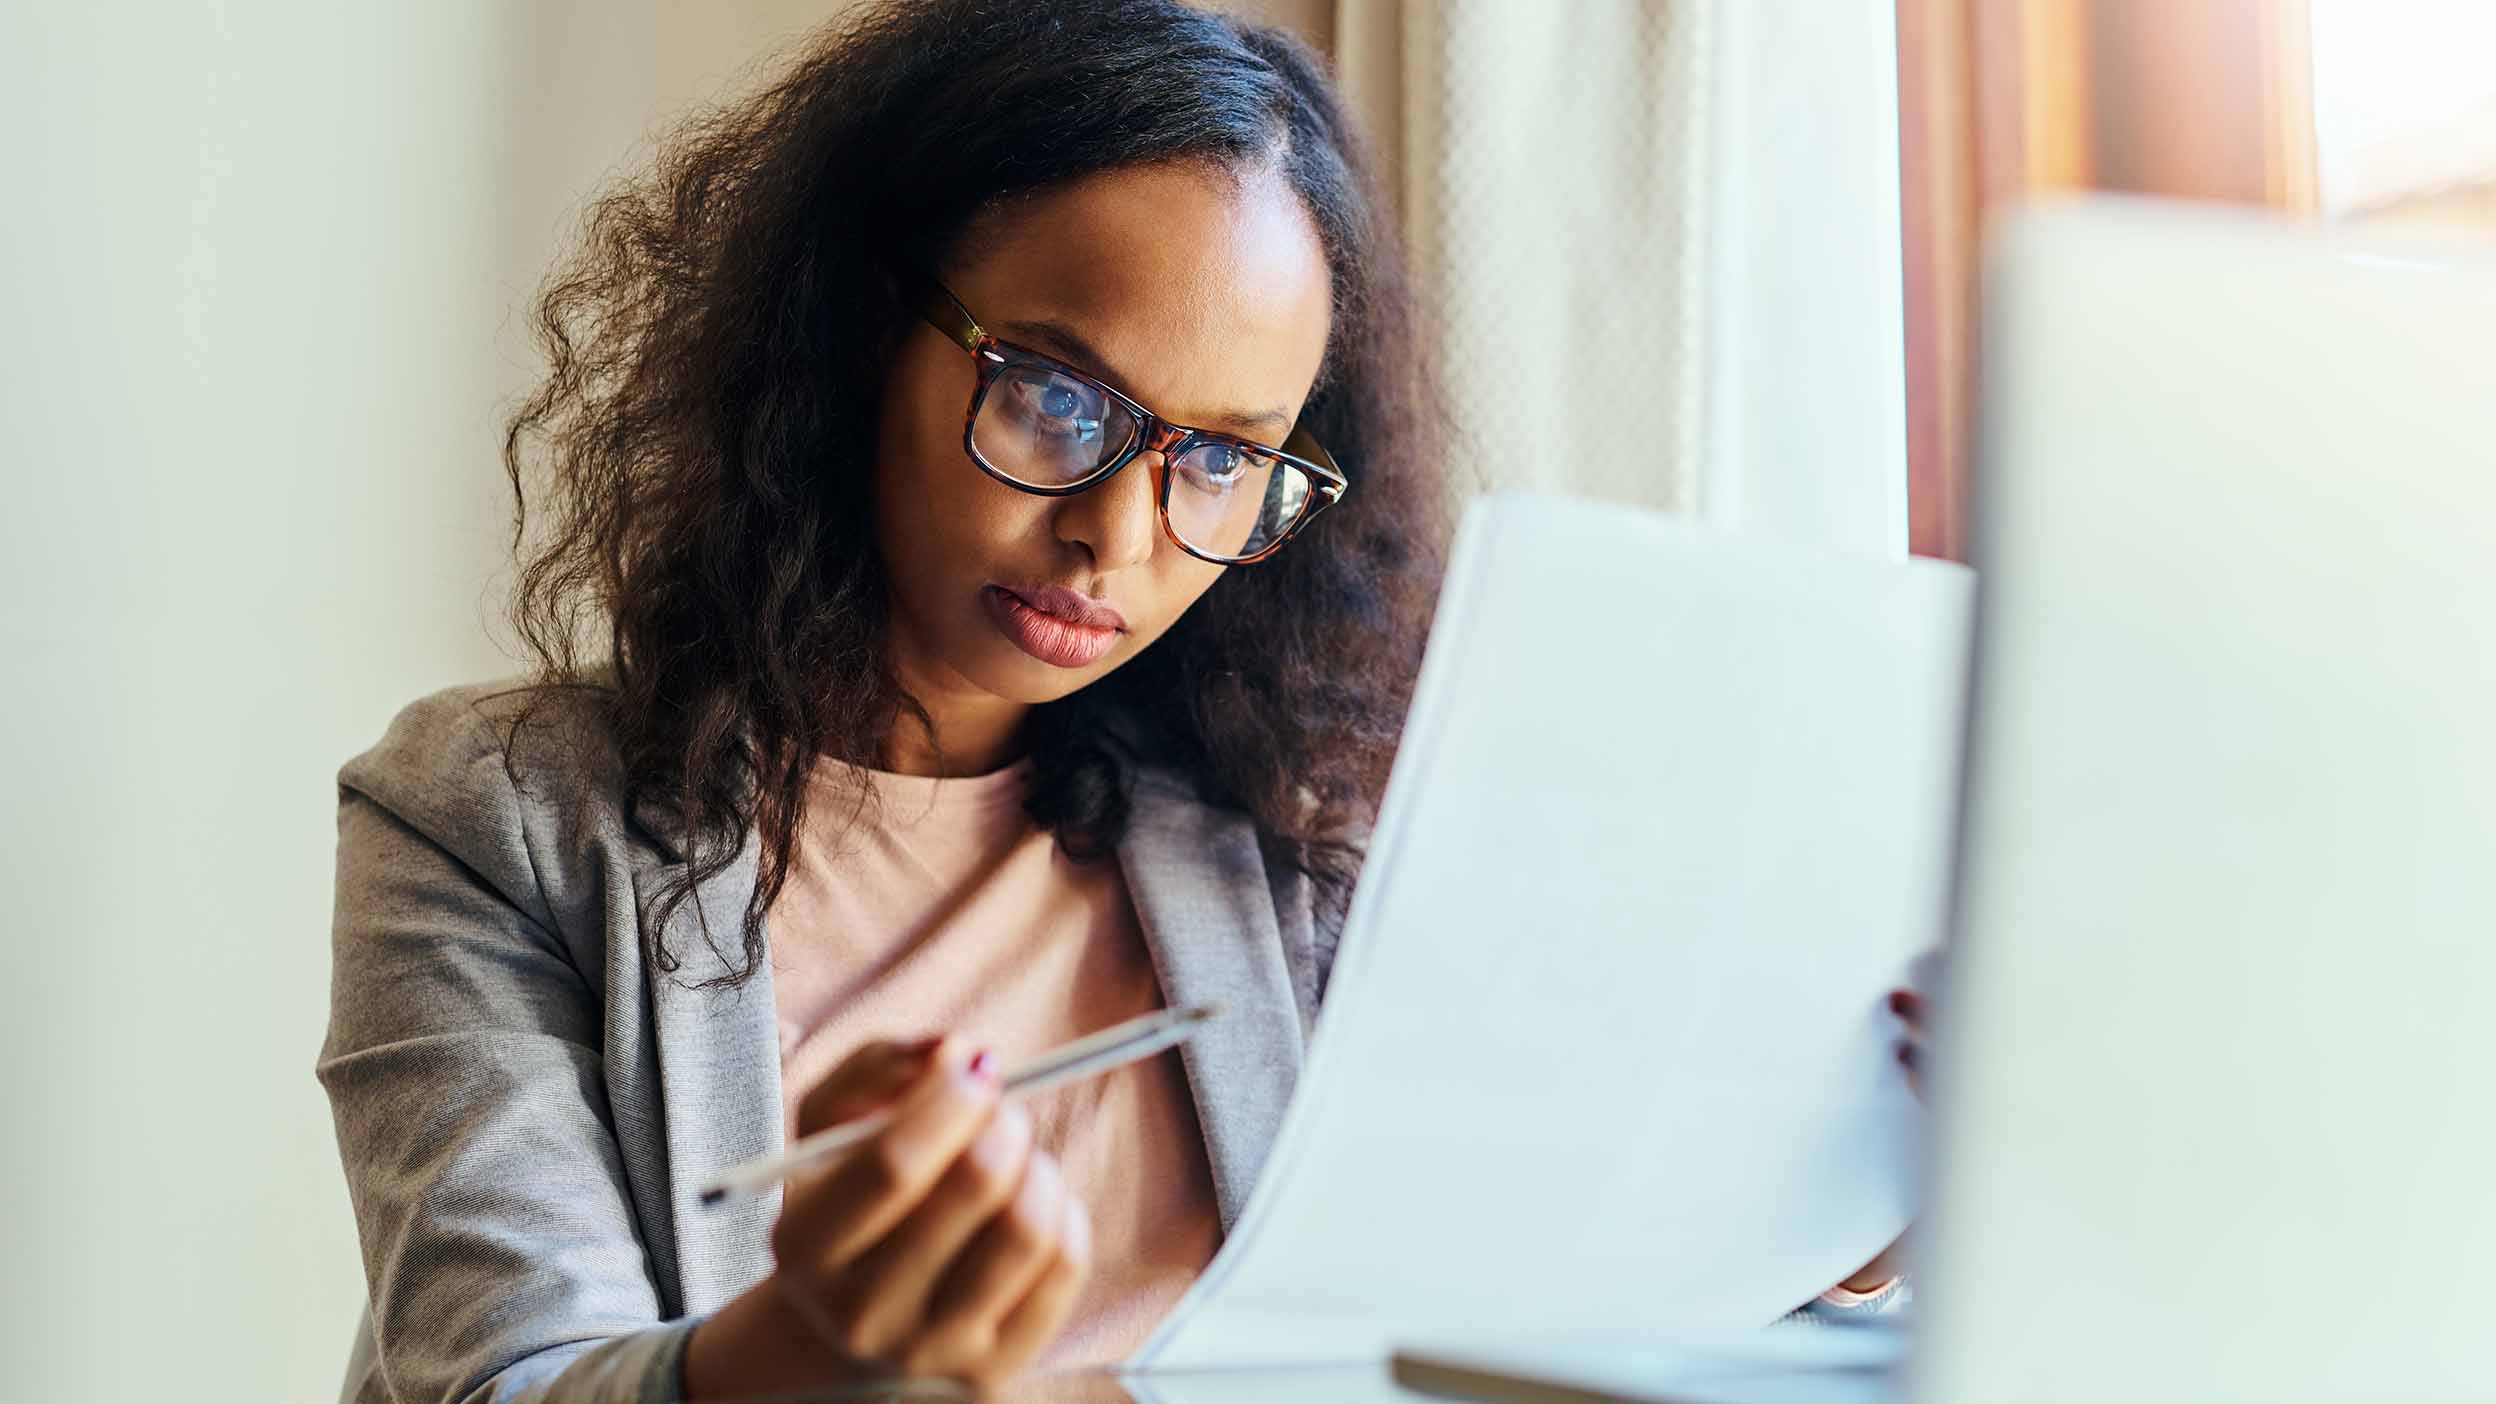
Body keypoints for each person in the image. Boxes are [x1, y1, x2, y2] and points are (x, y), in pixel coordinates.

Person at [317, 2, 1915, 1398]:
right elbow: (504, 1380)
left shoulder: (1294, 836)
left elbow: (1532, 1300)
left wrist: (1849, 1199)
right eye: (1061, 397)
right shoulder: (498, 824)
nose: (1118, 535)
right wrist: (816, 1353)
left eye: (1222, 458)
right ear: (861, 332)